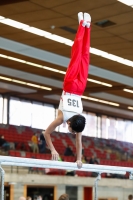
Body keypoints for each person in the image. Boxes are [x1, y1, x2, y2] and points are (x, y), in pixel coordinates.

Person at [44, 12, 91, 168]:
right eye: (71, 130)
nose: (71, 131)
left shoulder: (79, 120)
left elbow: (79, 141)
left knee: (84, 57)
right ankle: (82, 24)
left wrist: (79, 159)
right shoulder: (61, 119)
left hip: (80, 88)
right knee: (76, 55)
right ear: (69, 123)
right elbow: (46, 133)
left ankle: (87, 27)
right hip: (70, 85)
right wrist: (52, 150)